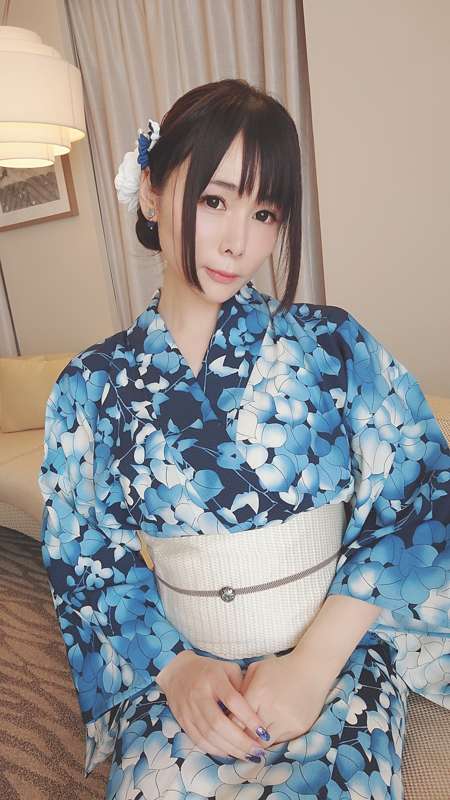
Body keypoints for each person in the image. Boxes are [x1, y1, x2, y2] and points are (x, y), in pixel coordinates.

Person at [39, 78, 449, 800]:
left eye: (264, 213)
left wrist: (313, 664)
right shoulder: (90, 384)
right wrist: (176, 670)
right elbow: (82, 551)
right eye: (213, 201)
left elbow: (423, 491)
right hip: (186, 674)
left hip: (328, 666)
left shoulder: (331, 344)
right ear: (153, 192)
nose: (239, 242)